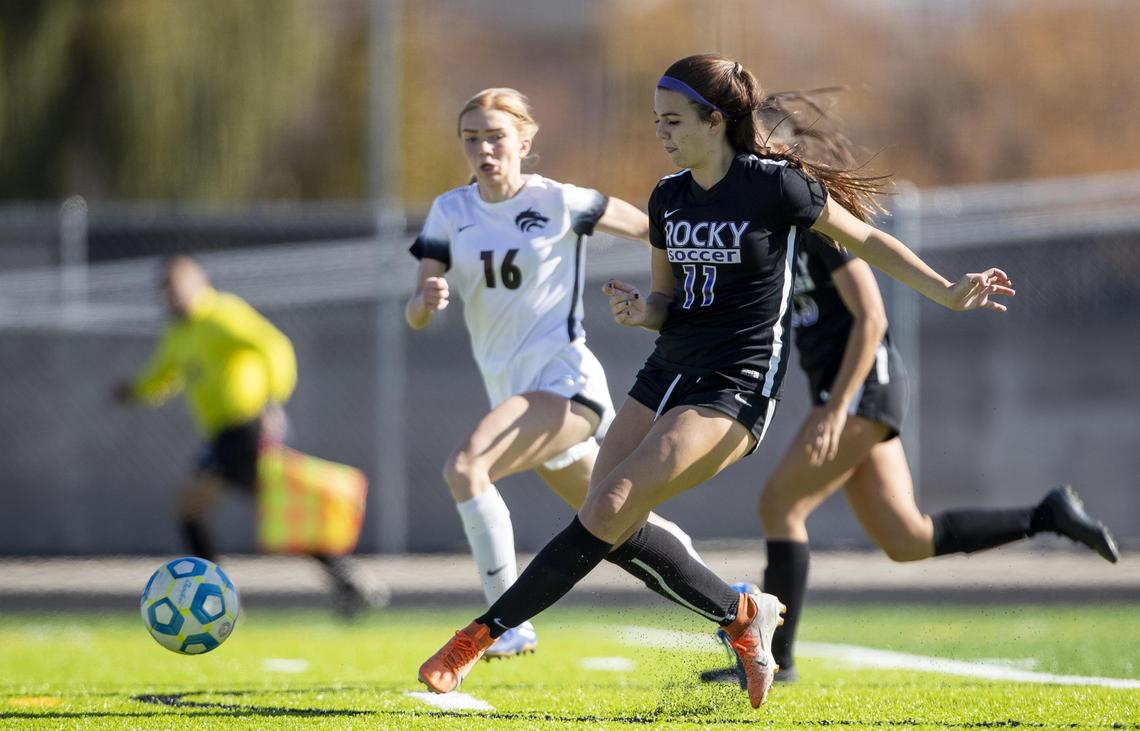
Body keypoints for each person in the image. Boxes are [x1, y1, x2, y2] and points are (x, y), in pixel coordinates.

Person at [416, 53, 1016, 710]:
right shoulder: (668, 196)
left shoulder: (776, 186)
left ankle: (477, 635)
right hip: (666, 368)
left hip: (735, 382)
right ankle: (739, 614)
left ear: (714, 120)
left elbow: (866, 242)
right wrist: (640, 310)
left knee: (611, 502)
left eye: (673, 120)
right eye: (656, 121)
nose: (661, 133)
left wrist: (945, 290)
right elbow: (666, 304)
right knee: (604, 514)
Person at [692, 91, 1120, 686]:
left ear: (784, 152)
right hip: (855, 393)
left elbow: (871, 317)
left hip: (866, 388)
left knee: (780, 504)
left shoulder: (814, 220)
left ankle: (777, 658)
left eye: (760, 143)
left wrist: (836, 409)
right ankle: (1047, 514)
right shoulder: (767, 224)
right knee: (906, 539)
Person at [406, 88, 707, 659]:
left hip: (566, 384)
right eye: (471, 137)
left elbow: (660, 229)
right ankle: (732, 601)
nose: (483, 148)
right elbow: (415, 313)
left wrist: (683, 291)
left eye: (495, 135)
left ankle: (505, 625)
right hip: (515, 395)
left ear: (525, 139)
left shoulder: (560, 201)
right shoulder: (450, 211)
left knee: (466, 467)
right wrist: (426, 298)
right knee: (621, 526)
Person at [116, 255, 384, 616]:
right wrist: (135, 390)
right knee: (279, 510)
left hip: (245, 427)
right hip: (223, 435)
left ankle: (214, 597)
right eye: (166, 289)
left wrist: (273, 401)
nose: (171, 296)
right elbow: (164, 374)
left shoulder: (223, 314)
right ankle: (347, 579)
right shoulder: (179, 332)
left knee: (191, 505)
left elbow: (273, 346)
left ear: (200, 283)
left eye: (177, 287)